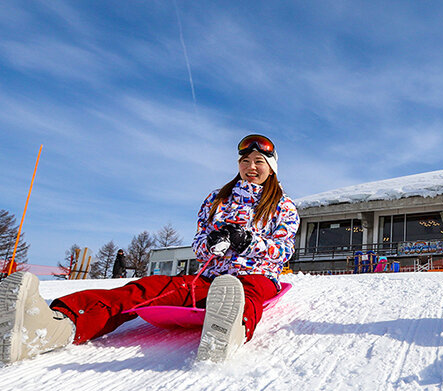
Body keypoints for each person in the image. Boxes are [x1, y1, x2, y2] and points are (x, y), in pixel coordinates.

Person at [0, 134, 299, 364]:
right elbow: (198, 244)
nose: (251, 167)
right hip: (208, 277)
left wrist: (249, 242)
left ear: (271, 168)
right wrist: (209, 244)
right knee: (144, 289)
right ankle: (54, 326)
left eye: (259, 161)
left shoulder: (282, 206)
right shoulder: (217, 199)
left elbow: (284, 250)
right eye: (245, 161)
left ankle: (227, 334)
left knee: (243, 295)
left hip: (255, 276)